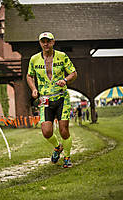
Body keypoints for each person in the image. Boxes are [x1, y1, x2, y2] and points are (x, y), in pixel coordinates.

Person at [26, 32, 77, 168]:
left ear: (53, 42)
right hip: (45, 99)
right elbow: (29, 76)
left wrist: (65, 80)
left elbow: (73, 73)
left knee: (63, 130)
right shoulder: (34, 59)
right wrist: (33, 89)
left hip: (61, 97)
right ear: (40, 43)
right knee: (46, 131)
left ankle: (67, 157)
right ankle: (57, 147)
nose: (46, 44)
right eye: (43, 41)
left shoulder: (62, 56)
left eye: (48, 41)